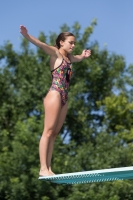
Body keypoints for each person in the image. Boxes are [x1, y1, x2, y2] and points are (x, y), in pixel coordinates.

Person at [20, 25, 91, 177]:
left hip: (65, 96)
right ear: (61, 42)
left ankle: (49, 168)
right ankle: (43, 168)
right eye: (70, 42)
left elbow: (77, 58)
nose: (73, 45)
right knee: (47, 131)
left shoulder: (69, 58)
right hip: (55, 93)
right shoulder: (56, 53)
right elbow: (41, 45)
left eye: (74, 43)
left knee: (54, 133)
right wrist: (27, 35)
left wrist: (83, 56)